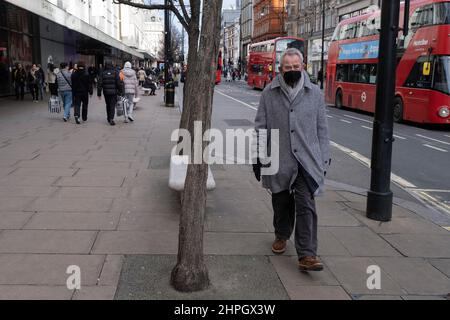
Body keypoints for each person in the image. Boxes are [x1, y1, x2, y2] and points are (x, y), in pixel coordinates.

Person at [253, 48, 330, 272]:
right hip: (279, 158)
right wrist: (258, 157)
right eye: (288, 67)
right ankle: (281, 234)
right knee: (281, 202)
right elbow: (260, 127)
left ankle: (307, 254)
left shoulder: (314, 93)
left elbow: (322, 129)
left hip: (307, 161)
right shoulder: (269, 93)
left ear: (303, 66)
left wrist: (324, 159)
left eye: (296, 67)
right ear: (280, 69)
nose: (292, 70)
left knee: (306, 204)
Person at [97, 62, 123, 126]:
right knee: (112, 105)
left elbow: (99, 83)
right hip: (114, 92)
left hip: (106, 92)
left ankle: (109, 117)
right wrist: (120, 91)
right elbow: (118, 83)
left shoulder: (103, 72)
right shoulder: (115, 72)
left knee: (108, 105)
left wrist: (99, 93)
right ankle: (111, 118)